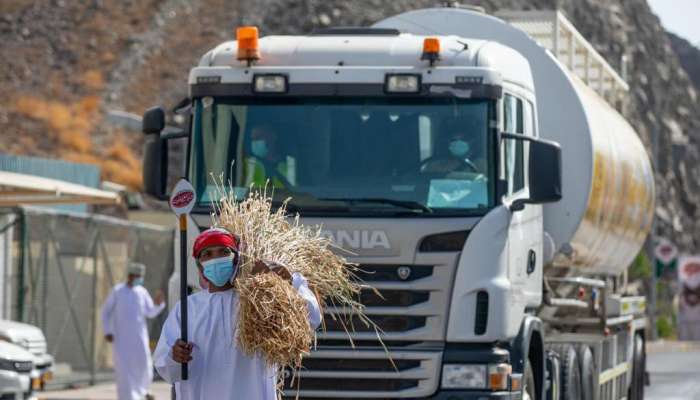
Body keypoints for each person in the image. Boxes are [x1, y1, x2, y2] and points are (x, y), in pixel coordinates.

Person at [153, 228, 322, 399]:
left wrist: (290, 282)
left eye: (223, 252)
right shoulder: (187, 309)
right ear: (200, 265)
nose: (216, 259)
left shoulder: (260, 301)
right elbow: (167, 370)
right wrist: (175, 357)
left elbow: (310, 319)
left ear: (236, 258)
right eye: (208, 254)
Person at [101, 262, 165, 400]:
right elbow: (105, 312)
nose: (139, 279)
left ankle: (144, 391)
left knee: (144, 364)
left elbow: (150, 312)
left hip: (139, 337)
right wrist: (107, 331)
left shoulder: (142, 292)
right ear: (130, 276)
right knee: (124, 370)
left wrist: (159, 305)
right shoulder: (117, 291)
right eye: (138, 276)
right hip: (121, 339)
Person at [421, 118, 486, 175]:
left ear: (472, 141)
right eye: (453, 140)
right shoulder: (433, 166)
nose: (458, 142)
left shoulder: (481, 165)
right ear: (447, 143)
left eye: (463, 139)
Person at [243, 124, 296, 188]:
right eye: (252, 139)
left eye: (258, 138)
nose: (254, 142)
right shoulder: (247, 164)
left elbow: (296, 192)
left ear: (272, 137)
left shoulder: (289, 167)